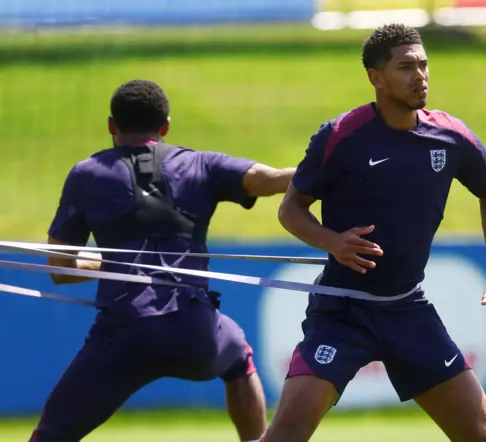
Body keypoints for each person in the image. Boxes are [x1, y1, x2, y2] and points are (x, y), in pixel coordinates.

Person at [264, 24, 486, 442]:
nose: (420, 76)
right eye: (406, 67)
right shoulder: (341, 135)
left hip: (407, 311)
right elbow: (290, 208)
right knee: (287, 433)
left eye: (423, 65)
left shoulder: (451, 136)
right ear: (376, 77)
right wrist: (332, 242)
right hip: (342, 313)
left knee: (481, 433)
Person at [30, 79, 295, 442]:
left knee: (51, 435)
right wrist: (337, 173)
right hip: (195, 332)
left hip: (124, 335)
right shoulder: (203, 164)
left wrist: (111, 264)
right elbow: (274, 179)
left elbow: (58, 269)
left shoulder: (86, 174)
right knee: (238, 357)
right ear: (166, 126)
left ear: (112, 125)